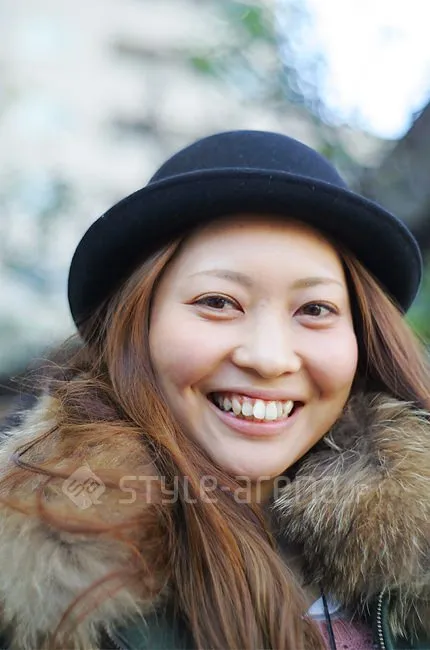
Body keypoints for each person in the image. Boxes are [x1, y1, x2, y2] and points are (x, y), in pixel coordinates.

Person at [0, 130, 429, 650]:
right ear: (135, 326)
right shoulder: (33, 589)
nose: (269, 358)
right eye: (218, 302)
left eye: (315, 309)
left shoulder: (414, 566)